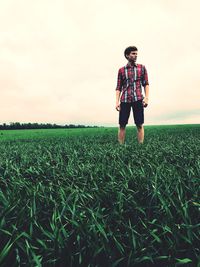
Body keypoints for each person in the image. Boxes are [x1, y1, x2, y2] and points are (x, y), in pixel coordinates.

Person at [115, 46, 149, 144]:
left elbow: (146, 84)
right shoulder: (121, 70)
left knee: (139, 124)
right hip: (124, 100)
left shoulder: (142, 68)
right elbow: (118, 87)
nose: (135, 55)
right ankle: (120, 147)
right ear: (127, 55)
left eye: (136, 53)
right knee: (122, 124)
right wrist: (117, 102)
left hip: (138, 99)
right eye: (133, 54)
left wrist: (146, 98)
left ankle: (140, 146)